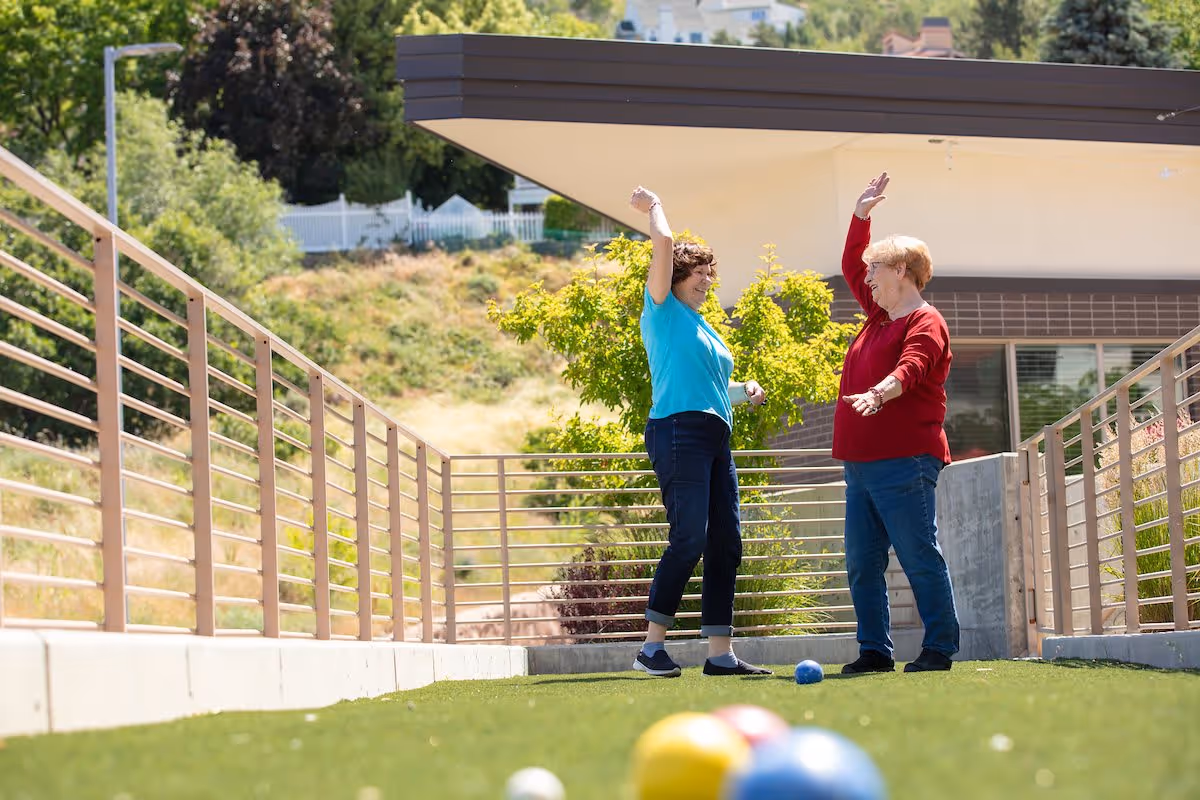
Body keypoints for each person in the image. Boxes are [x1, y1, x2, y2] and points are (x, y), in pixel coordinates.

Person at [628, 185, 772, 678]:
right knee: (689, 537)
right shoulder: (662, 309)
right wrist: (655, 208)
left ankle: (719, 654)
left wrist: (743, 388)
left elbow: (707, 385)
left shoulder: (702, 326)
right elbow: (664, 244)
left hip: (714, 435)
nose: (707, 282)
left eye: (711, 276)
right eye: (700, 275)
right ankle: (651, 648)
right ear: (677, 277)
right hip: (676, 431)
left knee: (727, 542)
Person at [835, 171, 960, 674]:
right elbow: (848, 264)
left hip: (905, 460)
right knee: (863, 563)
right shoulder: (877, 316)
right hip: (860, 463)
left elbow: (913, 366)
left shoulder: (924, 320)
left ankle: (940, 647)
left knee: (917, 554)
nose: (867, 279)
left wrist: (880, 393)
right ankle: (874, 652)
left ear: (904, 270)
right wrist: (861, 215)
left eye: (877, 270)